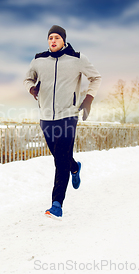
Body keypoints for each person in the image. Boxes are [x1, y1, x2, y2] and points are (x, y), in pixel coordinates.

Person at [24, 25, 101, 219]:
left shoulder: (77, 58)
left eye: (57, 37)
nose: (53, 41)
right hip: (46, 116)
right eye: (50, 38)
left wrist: (88, 99)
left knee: (60, 159)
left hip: (68, 115)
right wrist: (32, 89)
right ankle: (74, 167)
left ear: (63, 40)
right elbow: (27, 79)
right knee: (60, 156)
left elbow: (96, 78)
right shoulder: (38, 59)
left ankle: (56, 204)